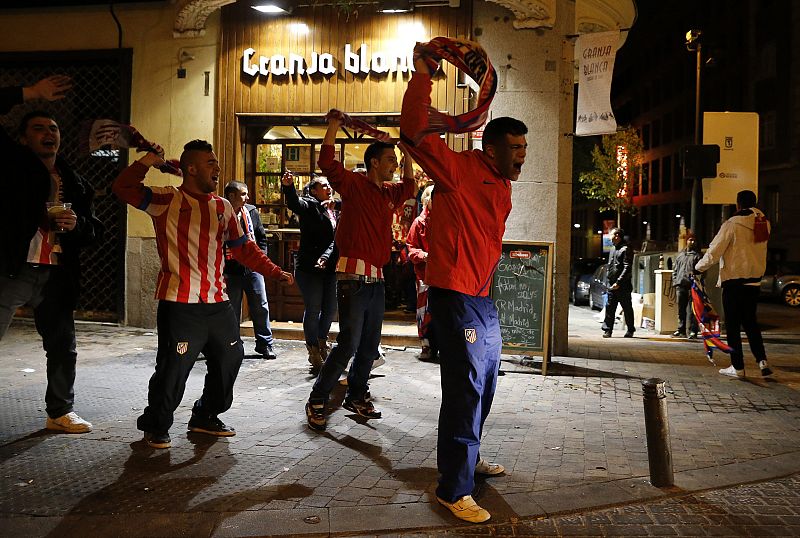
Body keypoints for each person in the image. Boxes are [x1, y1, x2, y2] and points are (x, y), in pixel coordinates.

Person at [400, 54, 528, 524]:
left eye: (524, 147)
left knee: (487, 384)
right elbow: (412, 129)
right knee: (465, 390)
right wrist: (423, 74)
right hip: (453, 295)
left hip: (481, 299)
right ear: (491, 148)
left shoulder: (502, 183)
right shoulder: (456, 169)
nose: (521, 154)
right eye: (514, 146)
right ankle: (453, 489)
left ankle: (468, 459)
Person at [113, 140, 293, 449]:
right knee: (173, 368)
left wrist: (274, 271)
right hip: (180, 304)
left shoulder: (223, 206)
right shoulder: (166, 200)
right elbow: (123, 187)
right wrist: (147, 160)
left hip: (219, 303)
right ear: (191, 168)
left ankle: (205, 415)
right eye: (211, 163)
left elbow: (243, 249)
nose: (218, 168)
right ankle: (156, 424)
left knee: (231, 359)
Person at [0, 76, 103, 434]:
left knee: (62, 347)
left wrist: (77, 226)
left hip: (56, 273)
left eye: (55, 128)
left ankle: (60, 411)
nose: (49, 133)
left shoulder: (73, 179)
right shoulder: (11, 165)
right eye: (39, 127)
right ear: (23, 137)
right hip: (12, 269)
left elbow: (95, 229)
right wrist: (29, 93)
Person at [304, 112, 415, 432]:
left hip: (376, 280)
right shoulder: (353, 183)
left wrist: (407, 153)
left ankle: (356, 393)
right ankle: (317, 398)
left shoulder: (387, 193)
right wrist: (335, 127)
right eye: (390, 159)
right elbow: (326, 160)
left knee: (369, 345)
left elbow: (408, 185)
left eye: (395, 159)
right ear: (374, 163)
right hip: (352, 279)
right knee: (349, 344)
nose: (394, 164)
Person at [695, 190, 772, 378]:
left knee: (733, 326)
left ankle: (738, 367)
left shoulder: (732, 224)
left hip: (734, 283)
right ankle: (762, 362)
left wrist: (698, 268)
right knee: (751, 324)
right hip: (754, 283)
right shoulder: (763, 223)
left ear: (738, 204)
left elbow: (715, 251)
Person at [281, 172, 339, 373]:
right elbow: (295, 204)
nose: (328, 188)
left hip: (330, 267)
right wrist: (288, 187)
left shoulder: (334, 209)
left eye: (329, 185)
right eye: (323, 186)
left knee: (330, 308)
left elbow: (337, 238)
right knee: (313, 308)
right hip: (309, 267)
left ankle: (322, 342)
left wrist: (327, 256)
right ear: (313, 191)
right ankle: (313, 349)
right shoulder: (309, 205)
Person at [223, 181, 277, 360]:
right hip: (230, 270)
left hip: (253, 268)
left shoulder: (251, 211)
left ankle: (265, 345)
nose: (247, 197)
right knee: (232, 309)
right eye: (243, 194)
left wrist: (260, 260)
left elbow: (261, 237)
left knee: (260, 306)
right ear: (232, 196)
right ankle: (232, 345)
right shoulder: (220, 212)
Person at [406, 184, 437, 362]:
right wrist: (424, 255)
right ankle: (426, 344)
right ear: (427, 200)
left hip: (443, 275)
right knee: (424, 311)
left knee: (440, 311)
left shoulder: (445, 219)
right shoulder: (419, 222)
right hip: (424, 275)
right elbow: (411, 248)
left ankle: (438, 344)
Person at [602, 227, 635, 339]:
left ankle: (630, 329)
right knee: (610, 308)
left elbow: (627, 267)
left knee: (627, 308)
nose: (609, 237)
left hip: (623, 286)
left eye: (610, 234)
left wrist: (618, 282)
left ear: (617, 236)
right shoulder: (613, 248)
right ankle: (608, 330)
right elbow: (610, 265)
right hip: (612, 284)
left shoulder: (625, 249)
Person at [671, 234, 702, 339]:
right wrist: (675, 281)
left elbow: (702, 272)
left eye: (694, 240)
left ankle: (693, 330)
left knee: (693, 310)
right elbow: (675, 270)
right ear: (687, 241)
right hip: (680, 285)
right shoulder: (680, 255)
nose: (692, 242)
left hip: (692, 286)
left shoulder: (698, 256)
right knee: (681, 309)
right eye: (690, 240)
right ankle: (681, 329)